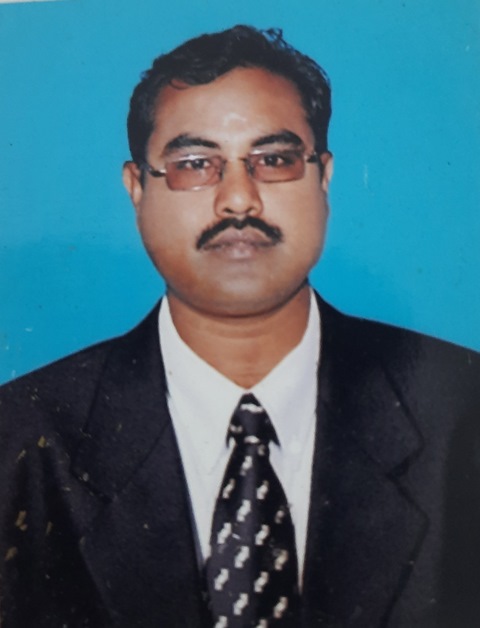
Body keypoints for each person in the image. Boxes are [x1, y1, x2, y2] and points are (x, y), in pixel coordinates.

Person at [0, 25, 479, 628]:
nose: (238, 200)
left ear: (324, 178)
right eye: (195, 164)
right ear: (136, 189)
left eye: (274, 160)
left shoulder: (464, 410)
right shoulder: (18, 440)